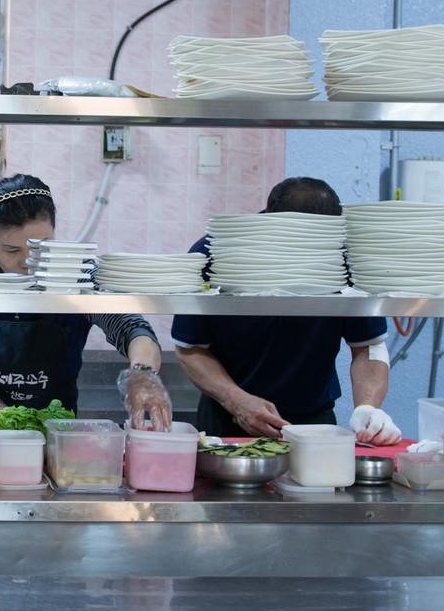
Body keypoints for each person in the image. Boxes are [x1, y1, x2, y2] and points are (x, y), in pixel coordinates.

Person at [0, 175, 173, 430]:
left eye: (40, 247)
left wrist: (143, 373)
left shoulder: (77, 272)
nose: (27, 261)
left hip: (56, 437)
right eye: (12, 250)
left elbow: (133, 329)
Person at [171, 177, 402, 445]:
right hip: (228, 417)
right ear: (271, 222)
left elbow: (368, 347)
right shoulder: (216, 252)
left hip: (313, 420)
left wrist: (367, 408)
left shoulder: (345, 258)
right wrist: (236, 401)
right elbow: (190, 349)